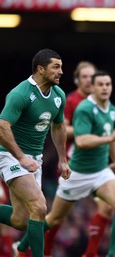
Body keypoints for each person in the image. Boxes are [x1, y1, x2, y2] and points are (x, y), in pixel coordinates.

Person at [15, 71, 115, 257]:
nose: (104, 88)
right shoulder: (85, 109)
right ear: (92, 88)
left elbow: (111, 136)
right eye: (100, 84)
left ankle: (113, 254)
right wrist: (110, 137)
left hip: (101, 172)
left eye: (108, 84)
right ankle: (21, 248)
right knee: (53, 219)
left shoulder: (112, 108)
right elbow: (83, 140)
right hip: (78, 174)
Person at [0, 48, 71, 257]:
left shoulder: (58, 95)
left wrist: (63, 160)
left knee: (20, 220)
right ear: (40, 69)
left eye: (61, 67)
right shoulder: (20, 93)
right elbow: (3, 127)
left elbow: (58, 127)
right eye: (56, 67)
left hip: (34, 159)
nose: (61, 72)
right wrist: (21, 157)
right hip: (11, 156)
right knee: (39, 207)